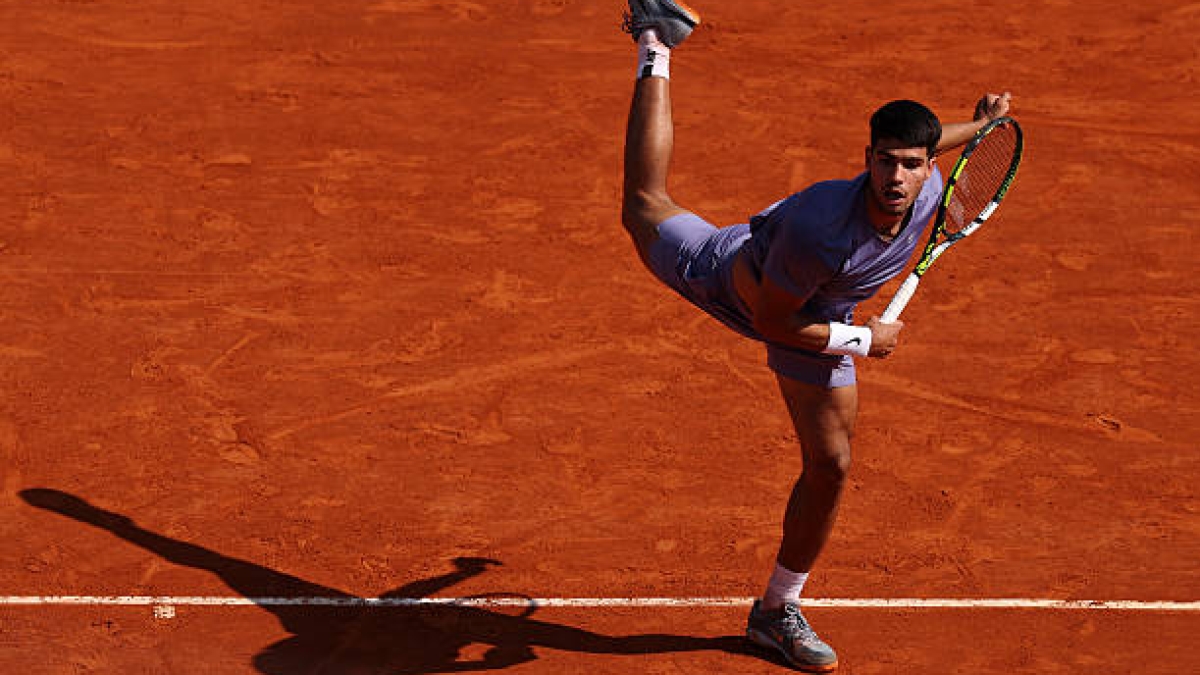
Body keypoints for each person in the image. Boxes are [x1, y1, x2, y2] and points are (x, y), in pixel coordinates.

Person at [619, 2, 1012, 672]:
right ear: (867, 159)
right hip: (742, 283)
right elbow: (774, 323)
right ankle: (656, 42)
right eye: (884, 163)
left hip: (817, 304)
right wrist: (860, 341)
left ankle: (776, 610)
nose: (896, 178)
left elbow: (930, 138)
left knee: (830, 464)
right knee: (643, 204)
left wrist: (981, 126)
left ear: (927, 167)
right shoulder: (820, 230)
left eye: (911, 164)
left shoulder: (927, 185)